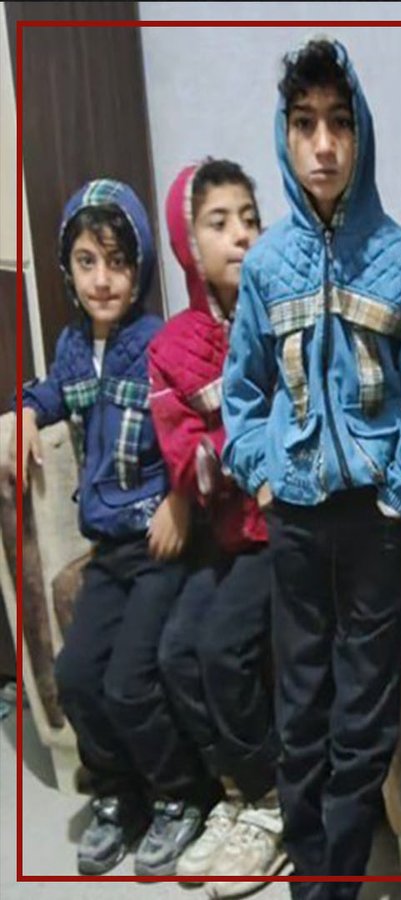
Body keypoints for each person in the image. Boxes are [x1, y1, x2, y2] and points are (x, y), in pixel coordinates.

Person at [221, 37, 401, 899]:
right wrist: (261, 472)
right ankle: (310, 879)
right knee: (302, 710)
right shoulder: (266, 267)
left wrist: (400, 494)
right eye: (304, 124)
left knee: (362, 720)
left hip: (373, 523)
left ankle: (338, 885)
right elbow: (242, 390)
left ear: (362, 134)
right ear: (284, 135)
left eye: (339, 124)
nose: (323, 145)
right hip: (294, 519)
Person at [12, 179, 213, 875]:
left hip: (158, 545)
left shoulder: (158, 343)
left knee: (131, 680)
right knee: (76, 675)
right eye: (87, 262)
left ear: (141, 268)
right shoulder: (73, 348)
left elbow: (194, 429)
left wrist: (180, 499)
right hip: (109, 549)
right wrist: (26, 410)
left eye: (117, 263)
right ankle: (117, 792)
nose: (102, 280)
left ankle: (178, 794)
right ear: (67, 269)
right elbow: (51, 391)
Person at [150, 159, 287, 894]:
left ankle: (271, 799)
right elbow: (186, 450)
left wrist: (233, 448)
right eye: (219, 222)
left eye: (249, 219)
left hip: (275, 532)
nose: (240, 235)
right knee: (177, 650)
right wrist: (222, 455)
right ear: (188, 245)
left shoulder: (281, 314)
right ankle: (232, 793)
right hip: (226, 532)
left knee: (222, 648)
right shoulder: (174, 346)